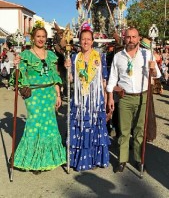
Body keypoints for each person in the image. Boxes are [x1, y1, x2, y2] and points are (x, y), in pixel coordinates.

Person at [10, 21, 66, 173]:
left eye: (43, 36)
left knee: (49, 125)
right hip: (34, 95)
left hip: (49, 94)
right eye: (38, 36)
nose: (41, 39)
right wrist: (16, 65)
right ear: (33, 38)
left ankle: (47, 157)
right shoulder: (26, 55)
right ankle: (31, 157)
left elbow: (55, 76)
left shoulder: (51, 56)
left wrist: (58, 94)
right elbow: (19, 76)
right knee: (35, 124)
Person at [107, 27, 161, 173]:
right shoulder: (118, 56)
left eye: (134, 37)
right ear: (124, 38)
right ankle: (122, 160)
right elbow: (112, 78)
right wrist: (110, 97)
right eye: (128, 37)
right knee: (124, 131)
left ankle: (138, 159)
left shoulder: (147, 54)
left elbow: (157, 75)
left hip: (142, 97)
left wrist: (153, 69)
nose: (131, 39)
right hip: (125, 98)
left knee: (139, 130)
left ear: (138, 38)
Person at [65, 22, 110, 171]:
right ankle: (79, 159)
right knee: (80, 125)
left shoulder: (100, 57)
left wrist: (106, 98)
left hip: (95, 99)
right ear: (79, 40)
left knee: (94, 126)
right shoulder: (74, 57)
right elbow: (70, 80)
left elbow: (104, 80)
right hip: (79, 99)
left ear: (92, 41)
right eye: (83, 39)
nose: (85, 42)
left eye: (88, 39)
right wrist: (67, 69)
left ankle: (95, 158)